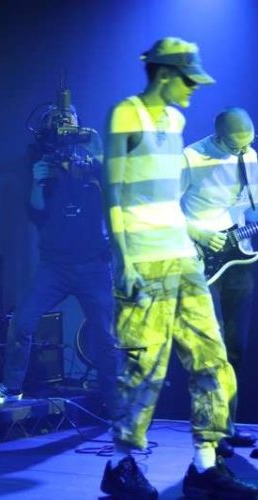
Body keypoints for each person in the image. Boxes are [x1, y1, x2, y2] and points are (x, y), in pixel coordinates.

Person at [100, 37, 257, 499]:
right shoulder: (126, 114)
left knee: (213, 359)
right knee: (143, 367)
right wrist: (123, 259)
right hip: (143, 259)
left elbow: (168, 199)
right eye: (190, 80)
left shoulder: (176, 119)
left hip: (184, 258)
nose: (195, 88)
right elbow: (112, 192)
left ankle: (205, 465)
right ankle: (119, 466)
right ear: (166, 74)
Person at [0, 96, 116, 417]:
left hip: (94, 264)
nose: (64, 125)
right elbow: (37, 214)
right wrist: (37, 181)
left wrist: (95, 150)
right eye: (59, 120)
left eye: (69, 119)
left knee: (105, 333)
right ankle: (11, 388)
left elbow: (114, 193)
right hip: (54, 266)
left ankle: (115, 399)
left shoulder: (93, 161)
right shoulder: (41, 163)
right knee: (22, 322)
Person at [182, 107, 258, 456]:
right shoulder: (191, 157)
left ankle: (227, 426)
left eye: (248, 143)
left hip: (239, 259)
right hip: (201, 261)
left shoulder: (251, 157)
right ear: (217, 136)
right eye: (234, 145)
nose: (243, 150)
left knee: (236, 346)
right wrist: (197, 232)